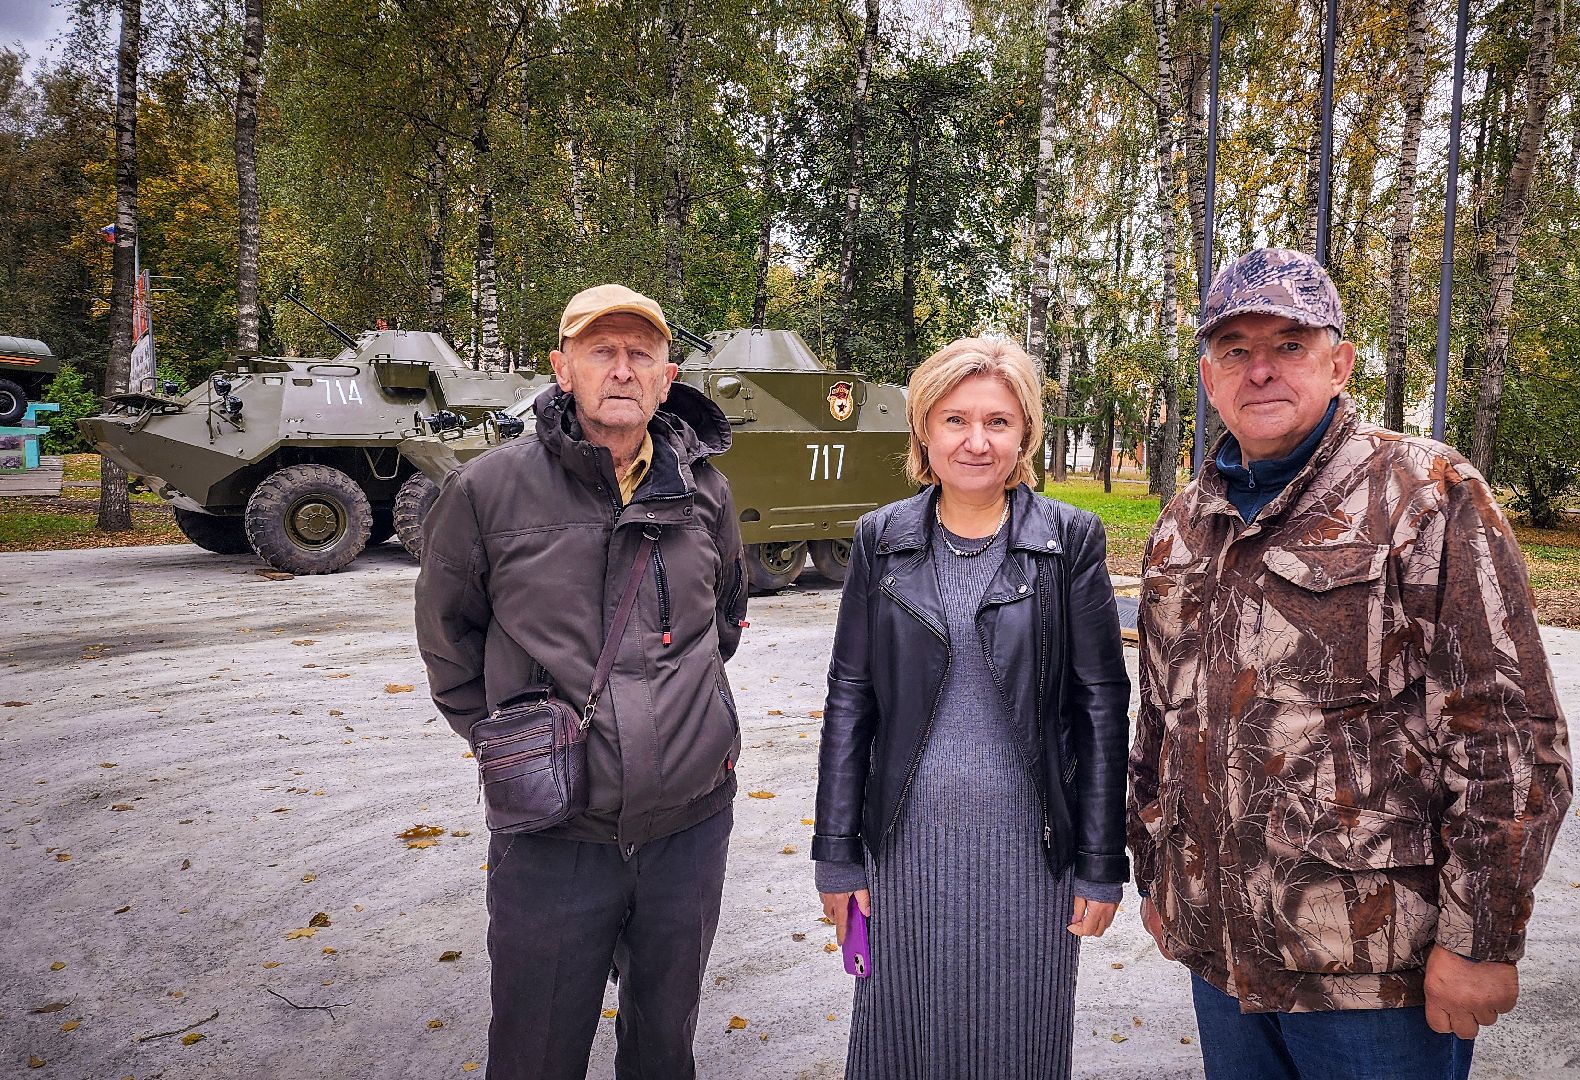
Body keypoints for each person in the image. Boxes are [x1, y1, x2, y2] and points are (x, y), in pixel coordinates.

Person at [1126, 248, 1573, 1080]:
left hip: (1373, 974)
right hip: (1225, 959)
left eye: (1289, 345)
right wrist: (1160, 877)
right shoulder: (1188, 522)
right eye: (1236, 350)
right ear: (1208, 375)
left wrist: (1481, 941)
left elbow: (1506, 732)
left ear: (1339, 364)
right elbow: (1159, 719)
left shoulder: (1426, 492)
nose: (1261, 370)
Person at [415, 283, 749, 1080]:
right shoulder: (488, 492)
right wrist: (518, 745)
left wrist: (686, 723)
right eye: (603, 351)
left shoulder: (705, 490)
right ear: (564, 369)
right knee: (536, 1052)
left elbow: (724, 621)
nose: (624, 370)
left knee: (664, 1048)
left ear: (669, 378)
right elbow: (447, 641)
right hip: (555, 835)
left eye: (642, 354)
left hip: (688, 828)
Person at [811, 337, 1132, 1079]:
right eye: (955, 420)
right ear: (924, 429)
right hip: (903, 845)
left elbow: (1100, 708)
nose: (977, 441)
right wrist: (836, 855)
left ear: (1025, 434)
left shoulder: (1067, 541)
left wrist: (1098, 863)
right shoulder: (880, 539)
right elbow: (850, 701)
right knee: (900, 1040)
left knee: (1018, 1042)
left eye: (998, 421)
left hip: (1031, 851)